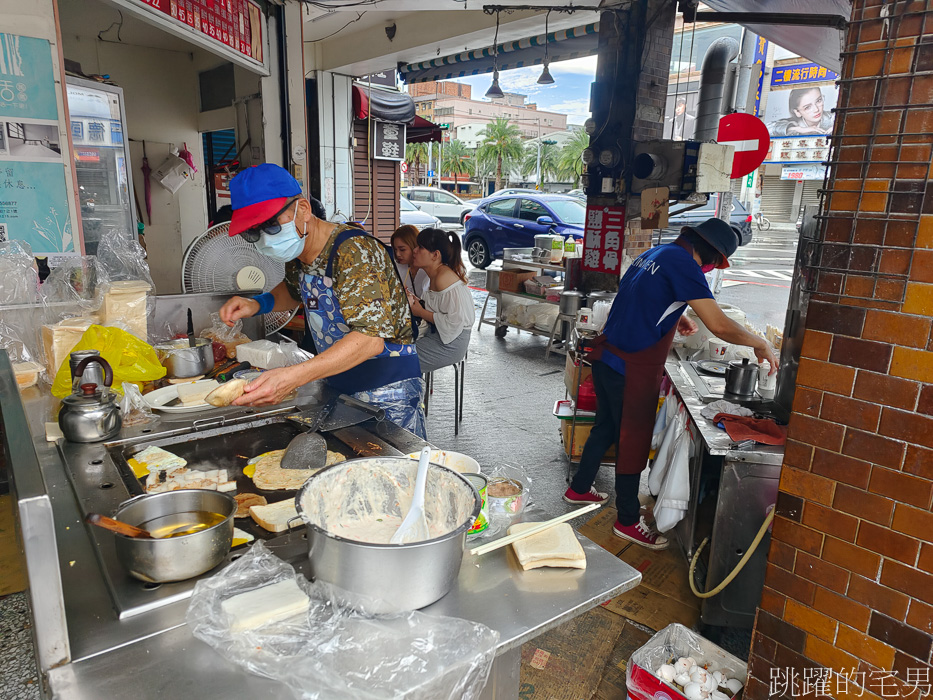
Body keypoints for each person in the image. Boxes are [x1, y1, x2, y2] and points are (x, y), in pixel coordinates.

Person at [563, 218, 779, 550]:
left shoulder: (658, 252)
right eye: (712, 264)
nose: (708, 269)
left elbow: (640, 297)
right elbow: (720, 325)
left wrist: (679, 314)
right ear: (710, 256)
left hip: (608, 359)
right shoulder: (684, 265)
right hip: (632, 368)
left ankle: (579, 488)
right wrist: (759, 344)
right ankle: (627, 521)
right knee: (632, 443)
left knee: (605, 427)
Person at [218, 163, 426, 438]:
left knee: (397, 471)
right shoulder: (299, 252)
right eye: (252, 232)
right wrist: (258, 304)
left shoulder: (355, 252)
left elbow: (369, 339)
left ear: (303, 209)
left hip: (387, 387)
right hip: (339, 381)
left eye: (270, 225)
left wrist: (294, 376)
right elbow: (294, 292)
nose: (264, 240)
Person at [407, 227, 474, 374]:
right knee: (398, 353)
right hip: (442, 335)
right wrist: (415, 300)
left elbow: (454, 321)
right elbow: (438, 308)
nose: (415, 251)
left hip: (451, 342)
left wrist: (420, 311)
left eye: (421, 247)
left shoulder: (443, 278)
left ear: (435, 255)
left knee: (401, 359)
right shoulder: (436, 275)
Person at [767, 87, 833, 136]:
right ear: (797, 112)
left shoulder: (833, 117)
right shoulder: (795, 123)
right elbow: (764, 129)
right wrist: (797, 129)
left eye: (819, 101)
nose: (816, 110)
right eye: (807, 107)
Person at [391, 225, 430, 297]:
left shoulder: (428, 270)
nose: (398, 254)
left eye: (402, 249)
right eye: (395, 249)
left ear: (415, 246)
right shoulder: (396, 267)